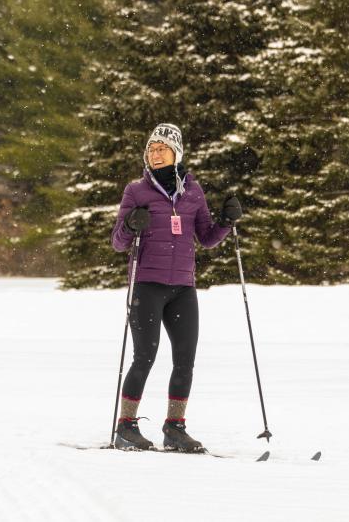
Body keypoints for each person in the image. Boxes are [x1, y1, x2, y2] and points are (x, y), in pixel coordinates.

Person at [110, 123, 242, 452]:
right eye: (151, 149)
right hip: (147, 285)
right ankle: (125, 427)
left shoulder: (193, 193)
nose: (155, 154)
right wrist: (129, 224)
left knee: (185, 360)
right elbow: (117, 243)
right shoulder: (136, 191)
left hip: (183, 287)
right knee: (144, 357)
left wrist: (226, 222)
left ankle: (175, 428)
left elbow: (208, 238)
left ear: (176, 153)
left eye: (162, 149)